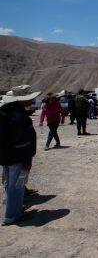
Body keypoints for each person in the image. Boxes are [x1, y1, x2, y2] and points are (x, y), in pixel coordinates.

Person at [0, 85, 39, 225]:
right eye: (29, 98)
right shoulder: (18, 116)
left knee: (9, 184)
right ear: (21, 100)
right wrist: (27, 160)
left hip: (5, 155)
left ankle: (14, 208)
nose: (32, 101)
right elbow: (22, 142)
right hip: (16, 157)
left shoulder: (5, 111)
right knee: (17, 186)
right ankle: (12, 216)